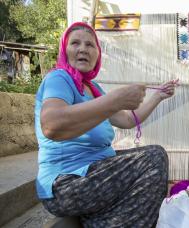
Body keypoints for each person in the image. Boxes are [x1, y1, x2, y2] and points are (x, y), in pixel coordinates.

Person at [35, 22, 177, 227]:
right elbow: (51, 125)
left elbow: (128, 120)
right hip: (65, 185)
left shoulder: (94, 89)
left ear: (97, 54)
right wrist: (115, 100)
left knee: (155, 154)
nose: (83, 48)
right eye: (75, 43)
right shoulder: (59, 78)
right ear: (65, 51)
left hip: (93, 172)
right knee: (153, 158)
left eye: (90, 45)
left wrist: (158, 96)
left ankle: (104, 221)